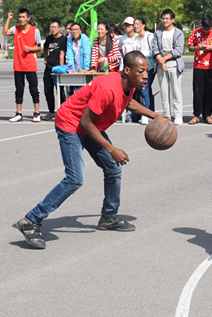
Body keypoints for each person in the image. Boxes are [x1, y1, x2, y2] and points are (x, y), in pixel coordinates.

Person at [16, 51, 164, 248]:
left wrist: (155, 116)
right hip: (71, 125)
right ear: (127, 70)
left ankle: (108, 217)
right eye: (141, 71)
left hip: (90, 126)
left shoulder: (128, 85)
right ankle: (31, 220)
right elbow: (85, 123)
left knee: (113, 169)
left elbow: (128, 102)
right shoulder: (107, 88)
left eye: (147, 70)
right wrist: (111, 149)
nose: (146, 75)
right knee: (75, 178)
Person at [3, 9, 42, 123]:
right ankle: (18, 113)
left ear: (28, 18)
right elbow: (5, 32)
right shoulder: (15, 29)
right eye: (19, 17)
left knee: (33, 89)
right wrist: (8, 18)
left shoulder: (35, 30)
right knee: (19, 90)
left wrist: (30, 49)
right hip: (18, 65)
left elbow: (39, 47)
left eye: (23, 17)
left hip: (30, 65)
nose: (21, 19)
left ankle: (36, 113)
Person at [151, 9, 185, 124]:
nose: (165, 20)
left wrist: (164, 59)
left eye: (167, 18)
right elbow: (155, 48)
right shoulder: (158, 33)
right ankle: (166, 115)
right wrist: (161, 61)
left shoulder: (178, 33)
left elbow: (178, 50)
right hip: (161, 65)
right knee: (164, 92)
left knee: (176, 91)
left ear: (172, 20)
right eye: (163, 18)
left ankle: (178, 116)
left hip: (174, 64)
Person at [187, 13, 212, 124]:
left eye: (209, 29)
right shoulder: (195, 32)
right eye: (204, 29)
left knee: (210, 92)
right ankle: (196, 115)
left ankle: (208, 115)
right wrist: (198, 47)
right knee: (198, 91)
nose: (206, 31)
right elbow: (190, 47)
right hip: (199, 66)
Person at [42, 19, 67, 120]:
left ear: (59, 28)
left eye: (55, 27)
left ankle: (63, 112)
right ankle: (51, 112)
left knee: (60, 91)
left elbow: (62, 53)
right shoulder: (49, 38)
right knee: (48, 90)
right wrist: (45, 59)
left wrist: (61, 67)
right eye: (51, 27)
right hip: (49, 67)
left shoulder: (64, 39)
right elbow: (45, 48)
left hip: (58, 68)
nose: (53, 29)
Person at [133, 17, 155, 124]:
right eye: (134, 24)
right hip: (139, 68)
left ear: (143, 25)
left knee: (144, 89)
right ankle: (151, 112)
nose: (135, 26)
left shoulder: (150, 36)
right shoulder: (136, 38)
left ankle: (145, 115)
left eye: (138, 24)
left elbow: (154, 52)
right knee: (146, 90)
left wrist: (142, 55)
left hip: (149, 67)